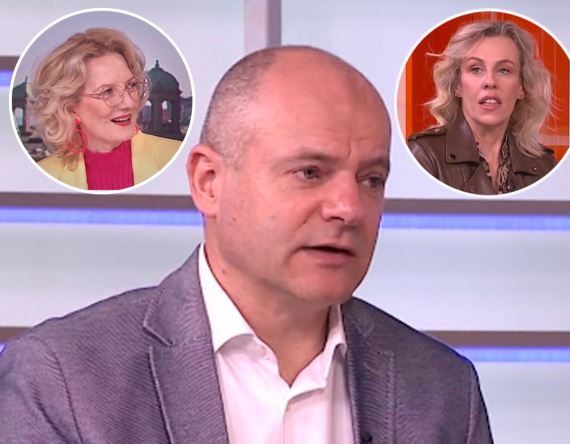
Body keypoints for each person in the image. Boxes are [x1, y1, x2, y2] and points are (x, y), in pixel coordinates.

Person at [0, 46, 493, 443]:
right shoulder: (62, 378)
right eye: (310, 172)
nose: (349, 208)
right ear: (209, 182)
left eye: (371, 179)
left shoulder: (444, 389)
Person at [407, 20, 557, 195]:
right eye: (476, 69)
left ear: (521, 87)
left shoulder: (544, 165)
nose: (490, 82)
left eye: (504, 70)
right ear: (457, 86)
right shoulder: (425, 154)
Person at [29, 28, 181, 191]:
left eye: (131, 85)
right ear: (70, 107)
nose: (129, 103)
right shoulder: (41, 177)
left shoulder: (178, 157)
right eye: (107, 92)